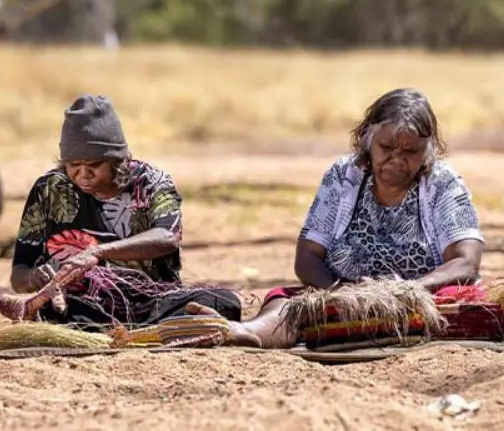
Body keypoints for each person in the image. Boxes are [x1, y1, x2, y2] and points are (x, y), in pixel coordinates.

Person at [186, 87, 485, 348]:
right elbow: (307, 258)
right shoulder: (344, 177)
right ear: (367, 140)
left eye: (411, 151)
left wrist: (406, 291)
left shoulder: (442, 182)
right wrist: (343, 296)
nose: (397, 158)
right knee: (289, 301)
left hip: (417, 300)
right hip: (342, 297)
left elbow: (465, 262)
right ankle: (247, 332)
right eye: (386, 147)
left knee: (459, 301)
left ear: (428, 152)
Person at [10, 93, 241, 328]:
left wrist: (98, 252)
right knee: (57, 310)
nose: (83, 175)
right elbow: (19, 273)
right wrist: (33, 278)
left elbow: (167, 237)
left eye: (94, 166)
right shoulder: (49, 189)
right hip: (81, 304)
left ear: (116, 160)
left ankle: (123, 329)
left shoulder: (152, 182)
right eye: (73, 166)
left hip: (153, 301)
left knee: (224, 301)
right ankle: (139, 330)